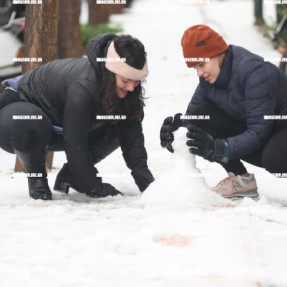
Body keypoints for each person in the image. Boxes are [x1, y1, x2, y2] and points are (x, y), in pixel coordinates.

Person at [0, 33, 154, 200]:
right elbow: (75, 141)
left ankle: (71, 175)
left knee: (128, 118)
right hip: (16, 121)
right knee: (31, 120)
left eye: (136, 81)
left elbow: (131, 137)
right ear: (111, 72)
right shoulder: (84, 86)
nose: (131, 87)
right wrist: (94, 187)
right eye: (126, 80)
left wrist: (148, 185)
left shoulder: (123, 88)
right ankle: (37, 181)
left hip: (59, 127)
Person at [160, 25, 287, 198]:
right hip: (266, 135)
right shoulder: (209, 77)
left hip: (279, 132)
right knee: (202, 115)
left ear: (217, 53)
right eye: (194, 68)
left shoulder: (255, 72)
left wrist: (218, 148)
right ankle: (240, 180)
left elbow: (258, 133)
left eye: (201, 64)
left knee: (275, 158)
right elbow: (192, 119)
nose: (199, 73)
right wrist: (174, 136)